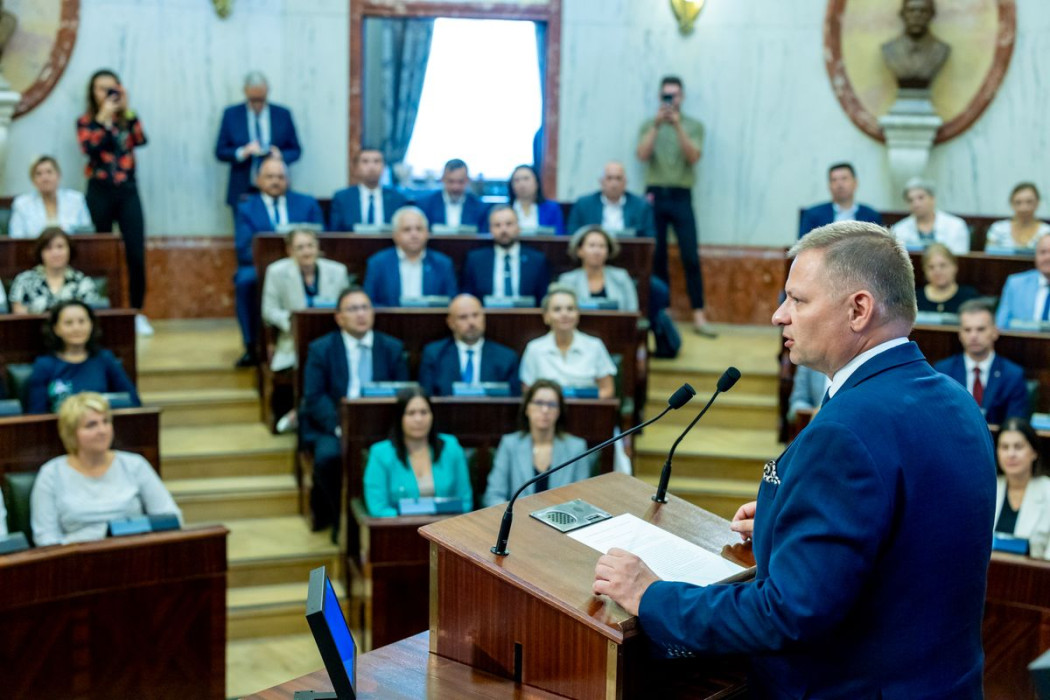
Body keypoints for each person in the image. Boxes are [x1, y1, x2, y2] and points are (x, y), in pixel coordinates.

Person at [593, 222, 995, 698]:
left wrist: (651, 595)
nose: (778, 315)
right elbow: (906, 531)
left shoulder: (847, 431)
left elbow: (789, 613)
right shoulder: (956, 399)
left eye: (797, 300)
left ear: (859, 309)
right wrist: (785, 519)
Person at [300, 287, 409, 533]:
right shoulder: (321, 349)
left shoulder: (392, 348)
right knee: (328, 458)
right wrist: (340, 426)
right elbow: (314, 397)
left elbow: (402, 394)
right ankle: (341, 519)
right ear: (339, 318)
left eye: (365, 308)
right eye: (353, 309)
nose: (360, 314)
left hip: (383, 426)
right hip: (334, 425)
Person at [30, 392, 180, 546]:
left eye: (106, 421)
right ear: (71, 434)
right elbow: (45, 539)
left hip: (134, 551)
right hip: (77, 557)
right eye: (91, 425)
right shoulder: (51, 474)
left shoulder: (134, 465)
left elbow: (171, 517)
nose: (102, 430)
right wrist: (98, 536)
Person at [76, 69, 151, 336]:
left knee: (136, 254)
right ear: (93, 93)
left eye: (112, 88)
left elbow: (140, 139)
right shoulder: (86, 121)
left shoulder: (127, 118)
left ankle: (137, 312)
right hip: (99, 191)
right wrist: (103, 119)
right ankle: (99, 313)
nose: (108, 93)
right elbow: (89, 148)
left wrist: (126, 111)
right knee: (99, 253)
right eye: (102, 88)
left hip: (127, 191)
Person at [636, 76, 712, 335]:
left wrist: (678, 126)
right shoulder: (649, 125)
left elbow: (694, 157)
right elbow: (642, 155)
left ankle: (699, 315)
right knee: (657, 256)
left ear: (682, 97)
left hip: (681, 195)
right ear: (660, 97)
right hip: (654, 195)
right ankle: (664, 314)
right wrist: (657, 126)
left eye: (674, 95)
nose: (670, 100)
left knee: (690, 256)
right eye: (666, 95)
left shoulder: (693, 126)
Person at [234, 156, 324, 366]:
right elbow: (244, 247)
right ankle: (251, 345)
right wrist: (277, 266)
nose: (275, 181)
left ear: (288, 180)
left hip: (306, 262)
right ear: (258, 180)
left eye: (280, 177)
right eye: (270, 177)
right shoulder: (247, 208)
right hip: (260, 266)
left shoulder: (306, 203)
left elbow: (322, 236)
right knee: (245, 281)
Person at [482, 380, 595, 507]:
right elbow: (493, 496)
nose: (545, 410)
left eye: (552, 404)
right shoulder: (510, 444)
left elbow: (581, 500)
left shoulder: (576, 447)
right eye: (539, 403)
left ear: (559, 411)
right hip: (518, 518)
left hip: (562, 518)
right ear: (527, 408)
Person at [363, 388, 472, 517]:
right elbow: (378, 508)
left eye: (424, 412)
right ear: (400, 417)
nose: (419, 419)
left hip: (446, 525)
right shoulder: (380, 453)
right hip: (398, 527)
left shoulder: (451, 447)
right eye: (411, 413)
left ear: (432, 416)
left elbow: (465, 502)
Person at [25, 300, 140, 414]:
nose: (76, 328)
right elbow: (37, 414)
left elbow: (133, 401)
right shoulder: (44, 365)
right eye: (68, 323)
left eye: (82, 321)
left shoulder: (105, 359)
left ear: (91, 324)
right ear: (56, 329)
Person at [261, 229, 349, 373]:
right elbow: (268, 311)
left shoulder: (338, 271)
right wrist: (293, 322)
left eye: (310, 246)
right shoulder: (276, 272)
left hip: (332, 336)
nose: (307, 252)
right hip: (293, 339)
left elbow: (346, 306)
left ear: (317, 247)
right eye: (300, 247)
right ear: (290, 250)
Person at [215, 71, 302, 215]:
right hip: (243, 187)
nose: (257, 104)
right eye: (253, 100)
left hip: (276, 187)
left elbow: (296, 150)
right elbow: (220, 151)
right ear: (245, 92)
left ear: (267, 91)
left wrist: (280, 156)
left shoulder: (282, 114)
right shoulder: (231, 114)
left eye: (261, 99)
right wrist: (242, 152)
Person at [934, 299, 1030, 425]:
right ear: (960, 334)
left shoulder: (1012, 375)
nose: (973, 336)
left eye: (980, 329)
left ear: (995, 332)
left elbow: (1015, 424)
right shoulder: (943, 371)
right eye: (967, 330)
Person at [519, 286, 616, 399]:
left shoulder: (594, 346)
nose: (564, 314)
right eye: (557, 309)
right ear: (546, 316)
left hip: (585, 408)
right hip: (547, 408)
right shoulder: (534, 348)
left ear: (578, 314)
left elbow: (608, 390)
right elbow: (528, 392)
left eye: (570, 309)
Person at [418, 294, 520, 396]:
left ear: (484, 317)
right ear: (450, 322)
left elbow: (513, 400)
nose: (471, 322)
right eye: (463, 317)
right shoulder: (434, 354)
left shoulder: (506, 357)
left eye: (475, 315)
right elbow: (426, 397)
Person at [363, 206, 457, 307]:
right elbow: (369, 303)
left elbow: (452, 303)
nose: (414, 234)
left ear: (427, 233)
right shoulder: (378, 263)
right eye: (407, 229)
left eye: (419, 229)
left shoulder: (443, 264)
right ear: (395, 235)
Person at [460, 206, 551, 304]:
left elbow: (543, 299)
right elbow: (468, 298)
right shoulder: (475, 260)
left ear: (518, 227)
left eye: (509, 224)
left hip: (526, 313)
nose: (503, 230)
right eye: (497, 225)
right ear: (490, 229)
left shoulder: (537, 260)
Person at [8, 228, 101, 314]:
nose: (55, 253)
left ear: (69, 250)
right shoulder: (24, 281)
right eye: (48, 248)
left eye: (60, 247)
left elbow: (90, 317)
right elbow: (19, 318)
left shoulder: (83, 282)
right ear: (40, 252)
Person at [994, 417, 1050, 559]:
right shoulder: (989, 489)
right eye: (1004, 447)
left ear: (1034, 452)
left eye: (1018, 447)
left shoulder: (1047, 491)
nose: (1011, 454)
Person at [8, 156, 93, 239]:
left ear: (58, 175)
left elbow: (86, 233)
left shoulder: (76, 200)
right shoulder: (22, 204)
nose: (45, 178)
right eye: (39, 174)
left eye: (49, 172)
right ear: (33, 180)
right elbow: (16, 238)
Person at [557, 226, 639, 312]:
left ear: (608, 251)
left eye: (602, 246)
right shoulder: (567, 281)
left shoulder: (621, 277)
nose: (597, 251)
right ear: (579, 251)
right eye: (592, 245)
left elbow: (632, 311)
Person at [566, 161, 656, 239]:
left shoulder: (641, 206)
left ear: (625, 182)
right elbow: (573, 234)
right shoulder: (584, 204)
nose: (614, 183)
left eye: (618, 178)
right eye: (609, 178)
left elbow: (650, 238)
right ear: (601, 181)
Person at [330, 148, 408, 231]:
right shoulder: (342, 198)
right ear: (356, 168)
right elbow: (334, 232)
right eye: (365, 161)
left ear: (384, 167)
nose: (372, 167)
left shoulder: (398, 198)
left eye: (376, 161)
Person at [799, 162, 883, 238]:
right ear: (829, 186)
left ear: (855, 183)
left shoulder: (871, 216)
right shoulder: (813, 215)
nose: (839, 184)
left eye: (844, 178)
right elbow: (803, 247)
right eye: (834, 180)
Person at [881, 0, 951, 89]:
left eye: (923, 11)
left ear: (932, 15)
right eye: (911, 10)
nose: (917, 16)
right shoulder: (890, 50)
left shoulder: (941, 50)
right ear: (902, 14)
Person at [890, 178, 969, 254]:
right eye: (910, 200)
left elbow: (960, 258)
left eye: (921, 198)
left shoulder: (956, 226)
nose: (916, 204)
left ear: (932, 198)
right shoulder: (898, 230)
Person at [995, 233, 1050, 329]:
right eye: (1042, 252)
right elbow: (1001, 324)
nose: (1047, 258)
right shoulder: (1015, 284)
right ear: (1035, 256)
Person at [418, 159, 486, 231]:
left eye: (460, 182)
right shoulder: (425, 205)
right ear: (442, 180)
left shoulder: (480, 208)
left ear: (467, 180)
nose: (455, 187)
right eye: (451, 181)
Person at [915, 243, 978, 314]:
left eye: (943, 265)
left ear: (955, 267)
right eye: (931, 267)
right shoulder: (914, 299)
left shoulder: (969, 296)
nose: (937, 272)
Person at [985, 182, 1050, 250]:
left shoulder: (1047, 231)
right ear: (1011, 204)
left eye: (1029, 202)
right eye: (1018, 202)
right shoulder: (998, 229)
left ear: (1038, 203)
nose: (1024, 208)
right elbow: (989, 254)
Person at [505, 164, 564, 234]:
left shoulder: (551, 209)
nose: (522, 184)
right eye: (517, 180)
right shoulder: (505, 210)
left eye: (526, 179)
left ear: (537, 183)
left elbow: (559, 235)